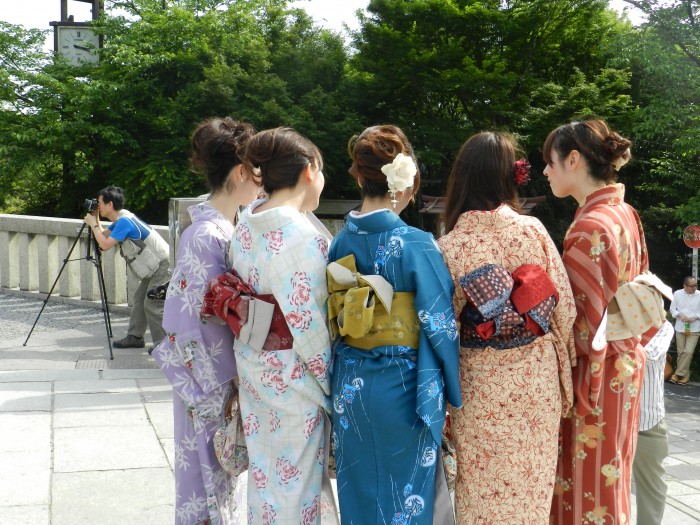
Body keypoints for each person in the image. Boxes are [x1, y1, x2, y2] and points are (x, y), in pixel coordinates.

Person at [437, 131, 576, 523]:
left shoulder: (450, 246)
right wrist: (564, 372)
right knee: (531, 492)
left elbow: (440, 329)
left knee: (481, 490)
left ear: (461, 179)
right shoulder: (533, 230)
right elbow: (563, 312)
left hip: (480, 387)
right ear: (508, 177)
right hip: (536, 383)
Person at [328, 125, 462, 524]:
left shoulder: (339, 243)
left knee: (361, 496)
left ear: (358, 176)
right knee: (406, 501)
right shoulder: (415, 242)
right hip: (402, 387)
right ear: (405, 181)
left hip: (350, 384)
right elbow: (439, 324)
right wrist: (454, 390)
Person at [150, 118, 259, 524]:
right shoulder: (207, 235)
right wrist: (230, 379)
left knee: (223, 480)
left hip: (215, 376)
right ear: (241, 172)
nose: (261, 180)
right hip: (207, 381)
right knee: (206, 480)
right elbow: (188, 321)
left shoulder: (224, 228)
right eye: (257, 170)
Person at [226, 127, 338, 524]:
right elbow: (311, 328)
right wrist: (334, 388)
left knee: (266, 480)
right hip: (295, 378)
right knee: (297, 484)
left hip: (255, 365)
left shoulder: (245, 226)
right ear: (309, 171)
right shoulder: (300, 235)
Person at [543, 119, 648, 524]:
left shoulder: (590, 226)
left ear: (573, 159)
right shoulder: (625, 213)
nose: (547, 172)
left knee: (584, 488)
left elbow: (578, 328)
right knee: (611, 480)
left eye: (551, 162)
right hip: (626, 363)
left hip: (596, 373)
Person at [84, 185, 170, 349]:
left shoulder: (124, 222)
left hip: (163, 265)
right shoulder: (122, 219)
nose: (98, 206)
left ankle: (164, 346)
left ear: (110, 204)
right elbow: (104, 235)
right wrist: (95, 220)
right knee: (139, 299)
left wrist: (93, 225)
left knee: (153, 303)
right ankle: (135, 337)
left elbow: (105, 244)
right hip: (155, 266)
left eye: (100, 203)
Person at [633, 320, 674, 525]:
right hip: (609, 421)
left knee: (652, 486)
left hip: (648, 420)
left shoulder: (663, 326)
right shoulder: (611, 319)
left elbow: (647, 355)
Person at [669, 276, 700, 385]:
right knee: (681, 352)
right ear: (684, 286)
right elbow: (672, 309)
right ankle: (685, 376)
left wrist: (695, 317)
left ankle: (677, 374)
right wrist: (679, 314)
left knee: (688, 351)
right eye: (691, 286)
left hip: (694, 327)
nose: (694, 288)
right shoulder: (677, 293)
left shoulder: (699, 295)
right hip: (680, 326)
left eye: (695, 285)